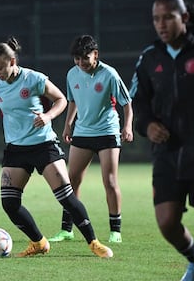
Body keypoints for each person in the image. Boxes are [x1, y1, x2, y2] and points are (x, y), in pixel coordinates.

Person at [0, 36, 113, 258]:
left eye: (0, 67)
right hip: (16, 150)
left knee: (66, 197)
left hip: (43, 145)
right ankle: (39, 242)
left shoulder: (33, 79)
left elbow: (61, 100)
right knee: (9, 203)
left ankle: (94, 242)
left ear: (12, 62)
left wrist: (48, 116)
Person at [130, 0, 194, 280]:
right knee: (167, 222)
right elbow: (140, 103)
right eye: (156, 18)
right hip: (168, 155)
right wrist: (146, 126)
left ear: (183, 18)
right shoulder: (149, 57)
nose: (161, 24)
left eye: (168, 17)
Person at [48, 35, 133, 244]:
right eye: (76, 59)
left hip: (107, 132)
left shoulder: (109, 74)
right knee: (71, 182)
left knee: (110, 181)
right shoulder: (72, 74)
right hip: (83, 133)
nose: (80, 63)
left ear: (96, 55)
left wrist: (127, 126)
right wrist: (68, 124)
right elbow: (73, 100)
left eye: (85, 58)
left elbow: (127, 103)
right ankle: (67, 229)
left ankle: (115, 231)